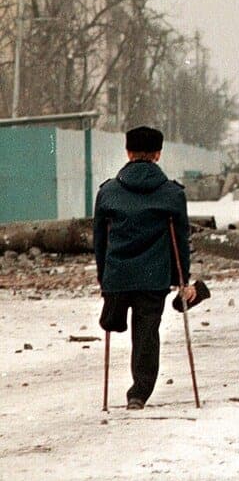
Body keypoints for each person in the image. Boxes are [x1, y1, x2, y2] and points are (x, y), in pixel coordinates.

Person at [94, 126, 196, 410]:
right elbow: (181, 241)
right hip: (154, 277)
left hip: (118, 275)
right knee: (147, 334)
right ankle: (139, 392)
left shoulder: (108, 192)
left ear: (127, 152)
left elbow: (100, 240)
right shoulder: (172, 194)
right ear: (158, 155)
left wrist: (104, 279)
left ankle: (112, 314)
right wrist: (182, 280)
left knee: (116, 316)